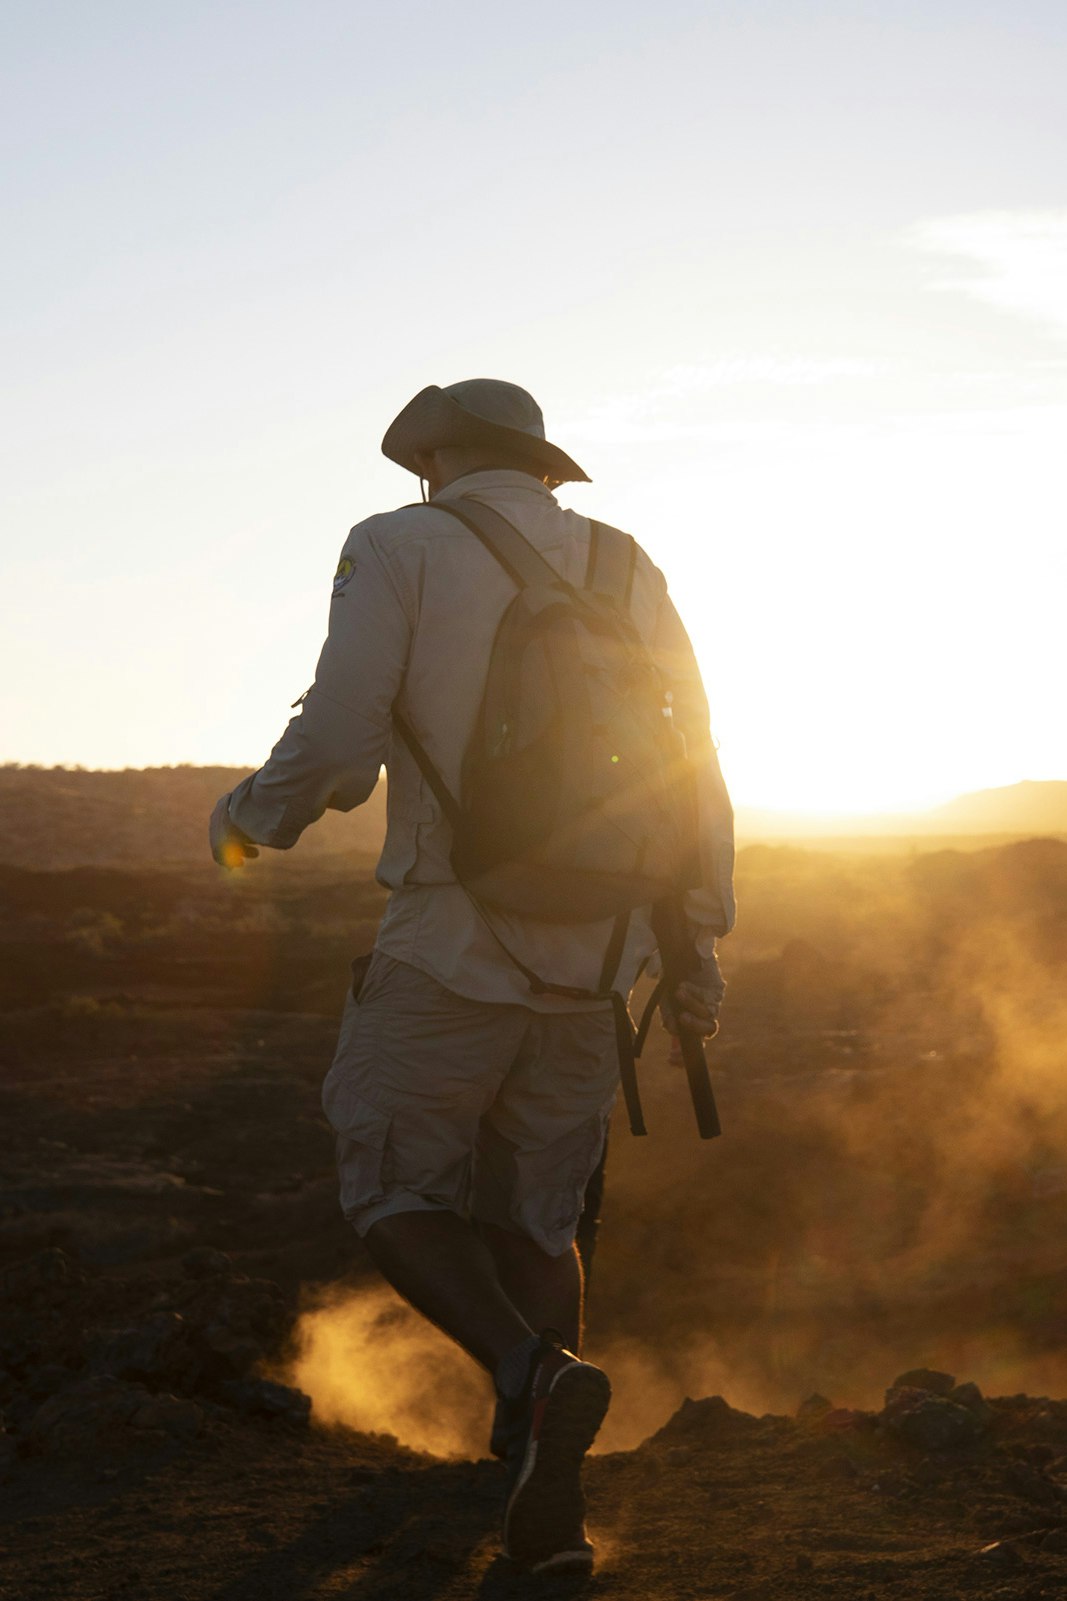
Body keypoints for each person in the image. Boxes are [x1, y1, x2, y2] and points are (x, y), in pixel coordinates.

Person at [209, 379, 735, 1573]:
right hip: (601, 953)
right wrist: (695, 933)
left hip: (453, 943)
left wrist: (248, 823)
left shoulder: (396, 545)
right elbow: (693, 752)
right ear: (540, 462)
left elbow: (342, 731)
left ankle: (529, 1374)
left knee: (391, 1183)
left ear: (438, 457)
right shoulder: (621, 563)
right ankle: (541, 1498)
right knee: (539, 1217)